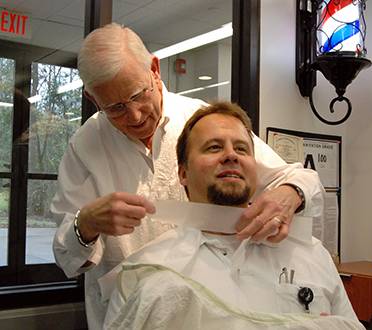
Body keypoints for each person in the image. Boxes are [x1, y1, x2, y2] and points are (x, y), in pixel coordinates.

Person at [51, 23, 324, 329]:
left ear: (155, 69)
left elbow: (303, 180)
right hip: (127, 312)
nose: (135, 116)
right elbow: (66, 256)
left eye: (138, 95)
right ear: (92, 97)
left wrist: (288, 193)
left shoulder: (204, 124)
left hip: (211, 310)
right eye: (115, 109)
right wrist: (85, 224)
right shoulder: (86, 145)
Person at [101, 102, 362, 330]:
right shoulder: (149, 275)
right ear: (183, 173)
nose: (230, 155)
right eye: (213, 148)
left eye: (241, 149)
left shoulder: (312, 255)